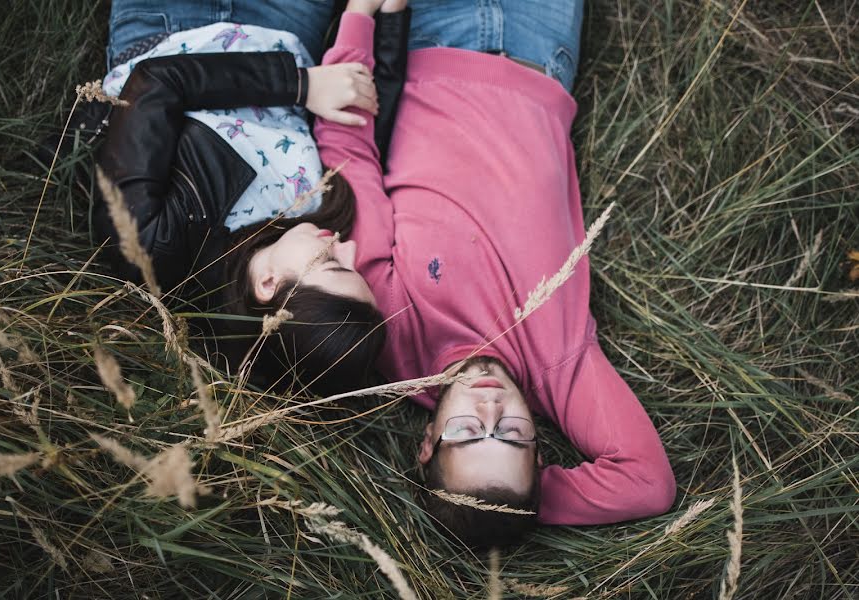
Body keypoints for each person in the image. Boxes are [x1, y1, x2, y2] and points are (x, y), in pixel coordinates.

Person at [315, 0, 677, 547]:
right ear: (539, 449)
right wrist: (514, 505)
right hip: (540, 41)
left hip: (437, 34)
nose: (490, 406)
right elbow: (648, 484)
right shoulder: (559, 368)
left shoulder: (387, 331)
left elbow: (350, 156)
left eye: (466, 434)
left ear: (428, 441)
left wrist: (359, 20)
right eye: (512, 435)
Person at [89, 1, 411, 395]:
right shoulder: (310, 214)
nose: (349, 247)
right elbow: (362, 136)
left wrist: (302, 86)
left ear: (269, 285)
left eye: (333, 265)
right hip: (286, 28)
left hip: (177, 22)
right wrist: (391, 20)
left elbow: (156, 82)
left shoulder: (149, 245)